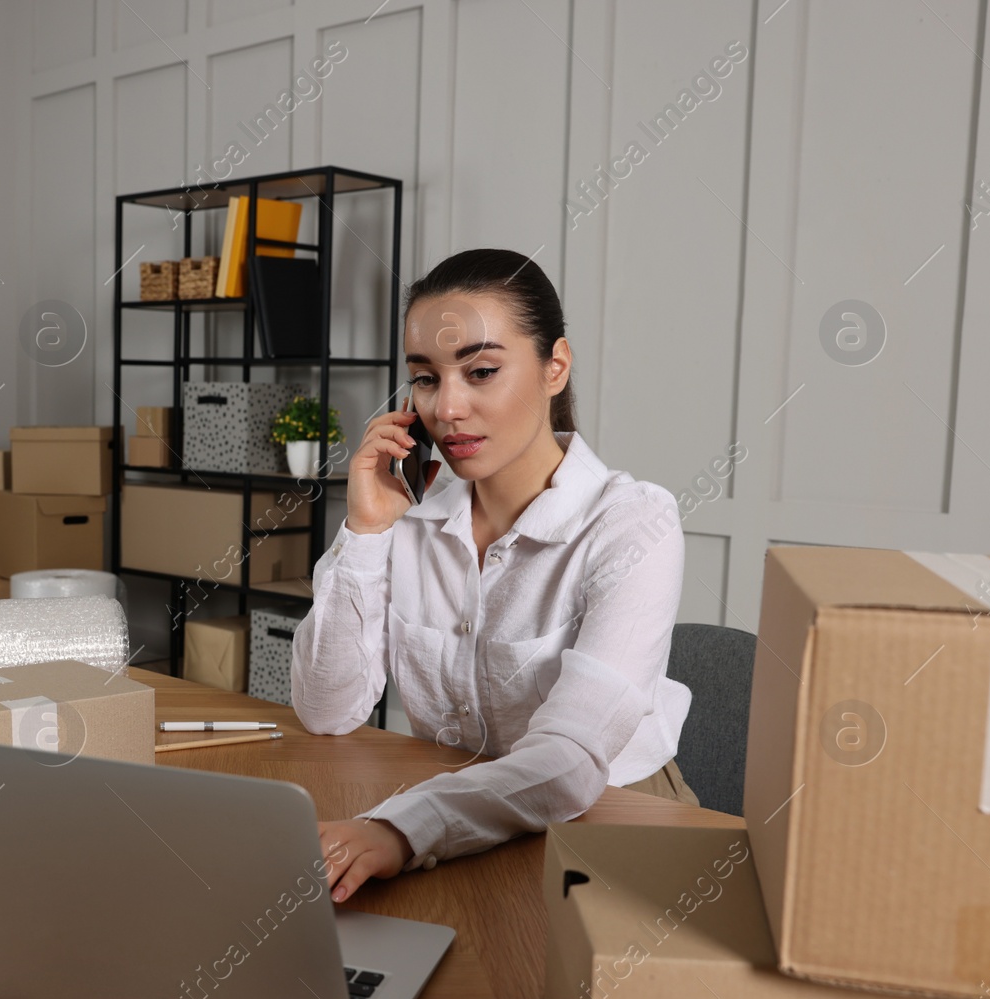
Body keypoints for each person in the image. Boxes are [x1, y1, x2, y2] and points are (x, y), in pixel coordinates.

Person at [291, 248, 698, 905]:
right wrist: (365, 530)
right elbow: (326, 709)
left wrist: (402, 827)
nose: (446, 408)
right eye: (425, 378)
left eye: (481, 370)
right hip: (455, 815)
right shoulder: (408, 514)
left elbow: (567, 759)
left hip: (609, 813)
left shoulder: (634, 523)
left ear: (554, 367)